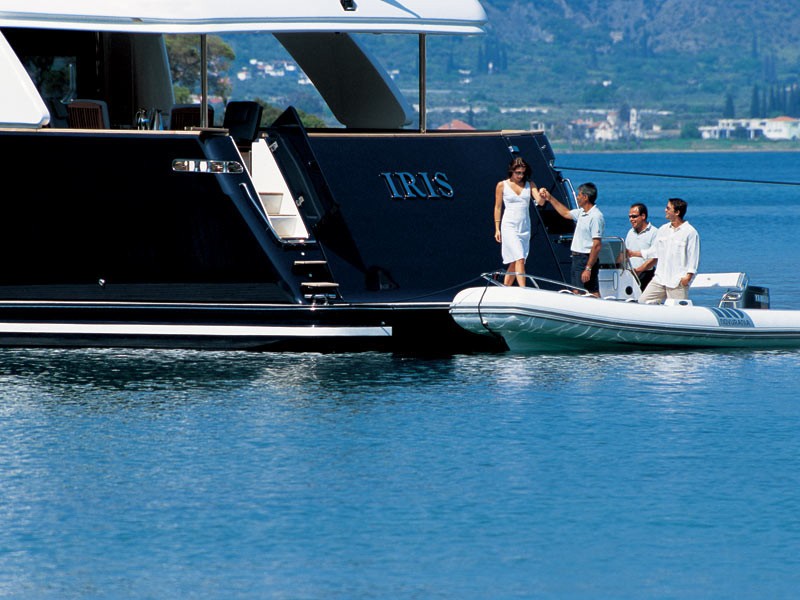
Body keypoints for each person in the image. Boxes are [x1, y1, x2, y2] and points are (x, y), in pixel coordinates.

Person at [628, 197, 700, 303]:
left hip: (677, 281)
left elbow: (693, 257)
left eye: (668, 208)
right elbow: (654, 251)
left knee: (677, 310)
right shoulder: (663, 229)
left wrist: (688, 277)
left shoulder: (690, 232)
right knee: (642, 302)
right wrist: (632, 253)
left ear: (677, 212)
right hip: (660, 279)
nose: (665, 210)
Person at [539, 182, 604, 296]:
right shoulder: (582, 212)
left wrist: (588, 268)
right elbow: (566, 213)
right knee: (580, 290)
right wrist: (550, 198)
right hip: (577, 258)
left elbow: (597, 245)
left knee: (584, 291)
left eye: (579, 195)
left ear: (585, 197)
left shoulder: (595, 216)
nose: (577, 197)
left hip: (585, 258)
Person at [494, 157, 545, 286]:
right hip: (509, 225)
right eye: (518, 173)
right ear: (511, 171)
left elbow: (540, 202)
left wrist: (542, 194)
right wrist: (497, 229)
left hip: (524, 226)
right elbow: (498, 207)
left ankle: (506, 288)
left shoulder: (530, 184)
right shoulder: (502, 185)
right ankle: (523, 289)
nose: (521, 176)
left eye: (523, 173)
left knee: (515, 260)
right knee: (520, 258)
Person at [625, 202, 658, 291]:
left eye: (634, 216)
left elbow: (654, 257)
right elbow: (626, 253)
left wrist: (639, 270)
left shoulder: (654, 232)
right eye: (630, 217)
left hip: (646, 274)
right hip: (630, 274)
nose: (631, 219)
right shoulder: (630, 232)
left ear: (643, 216)